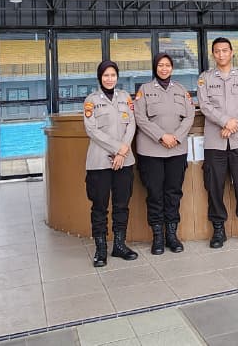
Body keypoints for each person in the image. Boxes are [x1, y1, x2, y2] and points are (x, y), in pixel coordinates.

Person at [196, 37, 238, 248]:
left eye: (225, 50)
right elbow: (205, 106)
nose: (221, 54)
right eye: (217, 51)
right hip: (215, 143)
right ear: (213, 54)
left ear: (232, 52)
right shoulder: (205, 79)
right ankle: (218, 230)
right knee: (214, 187)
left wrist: (233, 126)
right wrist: (225, 121)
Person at [134, 53, 195, 255]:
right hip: (151, 151)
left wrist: (176, 137)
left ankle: (172, 235)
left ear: (172, 68)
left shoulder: (181, 90)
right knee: (155, 194)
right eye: (160, 65)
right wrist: (161, 136)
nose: (164, 68)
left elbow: (190, 116)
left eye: (167, 65)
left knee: (173, 193)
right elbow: (140, 118)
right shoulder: (144, 90)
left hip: (176, 150)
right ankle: (158, 237)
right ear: (155, 67)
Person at [83, 60, 139, 267]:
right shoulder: (91, 100)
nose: (109, 79)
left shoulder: (125, 97)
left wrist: (123, 150)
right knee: (99, 206)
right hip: (99, 162)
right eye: (105, 75)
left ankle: (119, 245)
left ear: (117, 77)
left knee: (121, 204)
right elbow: (92, 130)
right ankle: (100, 250)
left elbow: (131, 124)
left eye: (113, 75)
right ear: (100, 77)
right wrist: (118, 149)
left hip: (124, 160)